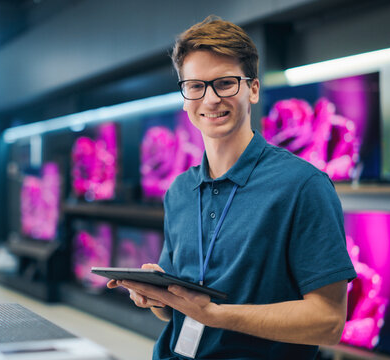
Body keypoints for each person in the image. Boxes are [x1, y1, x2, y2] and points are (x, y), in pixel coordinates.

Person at [108, 15, 357, 359]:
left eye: (225, 83)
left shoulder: (303, 186)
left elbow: (328, 321)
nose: (210, 99)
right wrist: (157, 296)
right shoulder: (179, 191)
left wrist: (216, 316)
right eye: (195, 86)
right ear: (185, 97)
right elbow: (175, 313)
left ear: (253, 89)